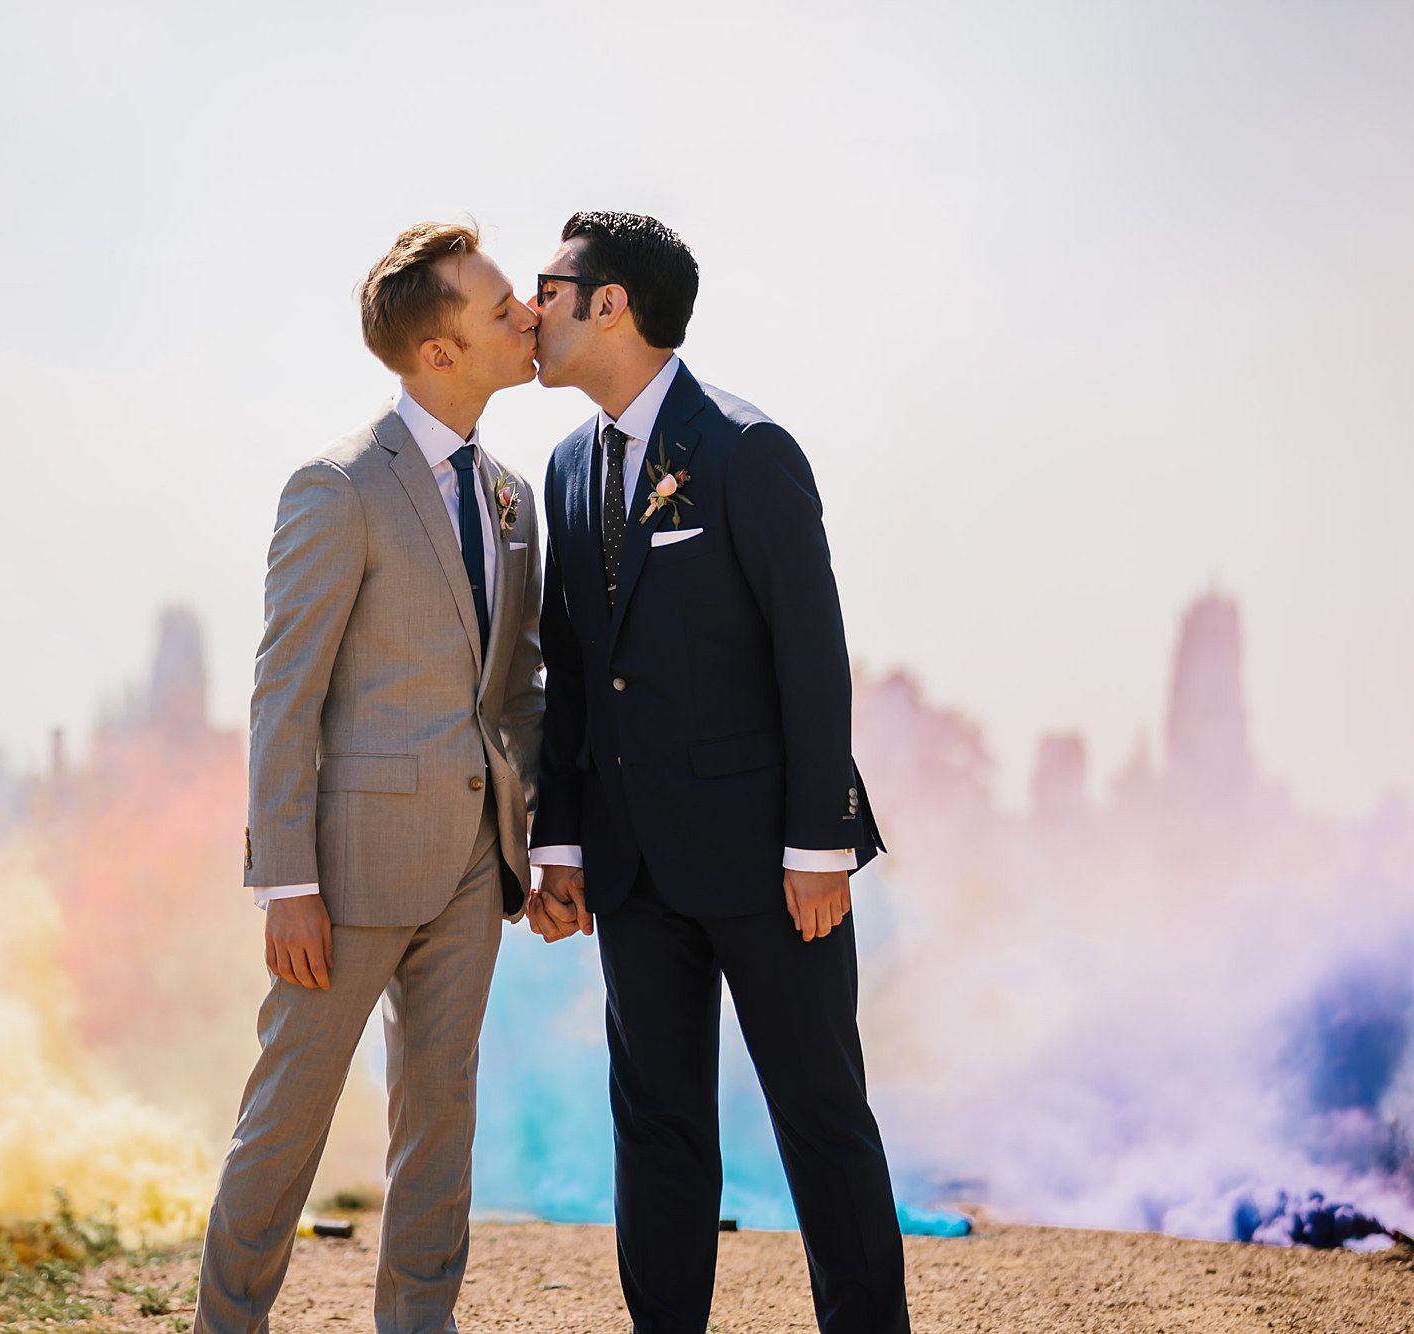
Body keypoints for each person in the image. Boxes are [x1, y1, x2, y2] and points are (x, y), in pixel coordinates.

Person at [525, 211, 909, 1333]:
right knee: (653, 1127)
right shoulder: (564, 465)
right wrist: (561, 840)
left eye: (550, 286)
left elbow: (810, 653)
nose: (530, 310)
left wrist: (816, 844)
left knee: (821, 1119)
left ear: (611, 304)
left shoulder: (746, 449)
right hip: (632, 868)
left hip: (770, 864)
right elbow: (571, 664)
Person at [195, 221, 544, 1333]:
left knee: (440, 1118)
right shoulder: (336, 485)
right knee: (286, 1116)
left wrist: (538, 839)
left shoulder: (510, 497)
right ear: (437, 350)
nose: (526, 316)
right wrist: (282, 878)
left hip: (471, 869)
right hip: (341, 878)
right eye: (500, 309)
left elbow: (516, 688)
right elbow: (281, 691)